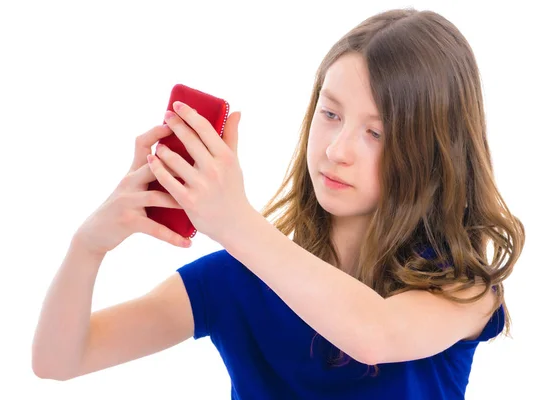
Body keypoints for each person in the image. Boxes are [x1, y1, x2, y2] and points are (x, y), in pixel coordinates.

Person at [32, 7, 525, 399]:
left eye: (375, 132)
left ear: (434, 151)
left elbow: (373, 332)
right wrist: (87, 246)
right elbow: (59, 361)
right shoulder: (235, 280)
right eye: (330, 114)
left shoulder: (461, 290)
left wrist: (234, 222)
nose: (336, 150)